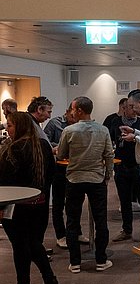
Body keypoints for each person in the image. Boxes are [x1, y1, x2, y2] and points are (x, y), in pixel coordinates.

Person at [0, 112, 57, 284]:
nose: (7, 129)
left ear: (20, 127)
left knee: (20, 246)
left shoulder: (13, 149)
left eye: (10, 125)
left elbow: (5, 183)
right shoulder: (43, 146)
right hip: (39, 204)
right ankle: (49, 279)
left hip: (16, 207)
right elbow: (51, 174)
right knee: (34, 243)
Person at [57, 96, 114, 273]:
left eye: (73, 109)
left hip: (74, 179)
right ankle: (101, 260)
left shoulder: (69, 131)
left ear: (80, 110)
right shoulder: (103, 130)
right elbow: (109, 155)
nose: (71, 112)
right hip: (96, 179)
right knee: (100, 220)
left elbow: (61, 155)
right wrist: (108, 175)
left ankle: (75, 262)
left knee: (72, 220)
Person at [44, 104, 89, 248]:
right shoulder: (54, 123)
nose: (74, 118)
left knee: (74, 203)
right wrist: (60, 146)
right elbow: (45, 142)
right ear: (68, 112)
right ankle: (61, 235)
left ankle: (76, 232)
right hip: (59, 168)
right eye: (73, 115)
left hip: (74, 168)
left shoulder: (79, 125)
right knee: (58, 204)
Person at [110, 100, 140, 242]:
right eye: (130, 108)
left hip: (138, 165)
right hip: (121, 165)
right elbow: (110, 140)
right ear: (124, 108)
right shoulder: (115, 122)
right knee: (124, 200)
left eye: (134, 107)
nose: (133, 110)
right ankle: (127, 230)